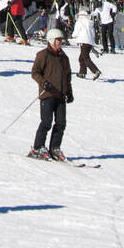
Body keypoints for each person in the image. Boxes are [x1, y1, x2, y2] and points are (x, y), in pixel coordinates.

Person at [29, 28, 74, 160]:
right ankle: (38, 147)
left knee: (61, 123)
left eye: (61, 40)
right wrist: (44, 83)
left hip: (60, 95)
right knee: (46, 122)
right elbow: (35, 72)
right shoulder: (43, 55)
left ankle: (55, 147)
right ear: (51, 40)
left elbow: (67, 77)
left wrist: (69, 92)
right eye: (58, 40)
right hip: (47, 94)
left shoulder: (64, 57)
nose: (60, 42)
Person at [74, 3, 102, 79]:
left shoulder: (79, 21)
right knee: (81, 58)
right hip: (89, 42)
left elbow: (76, 32)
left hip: (83, 41)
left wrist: (74, 35)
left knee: (85, 58)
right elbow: (93, 34)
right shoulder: (89, 23)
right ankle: (82, 73)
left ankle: (95, 71)